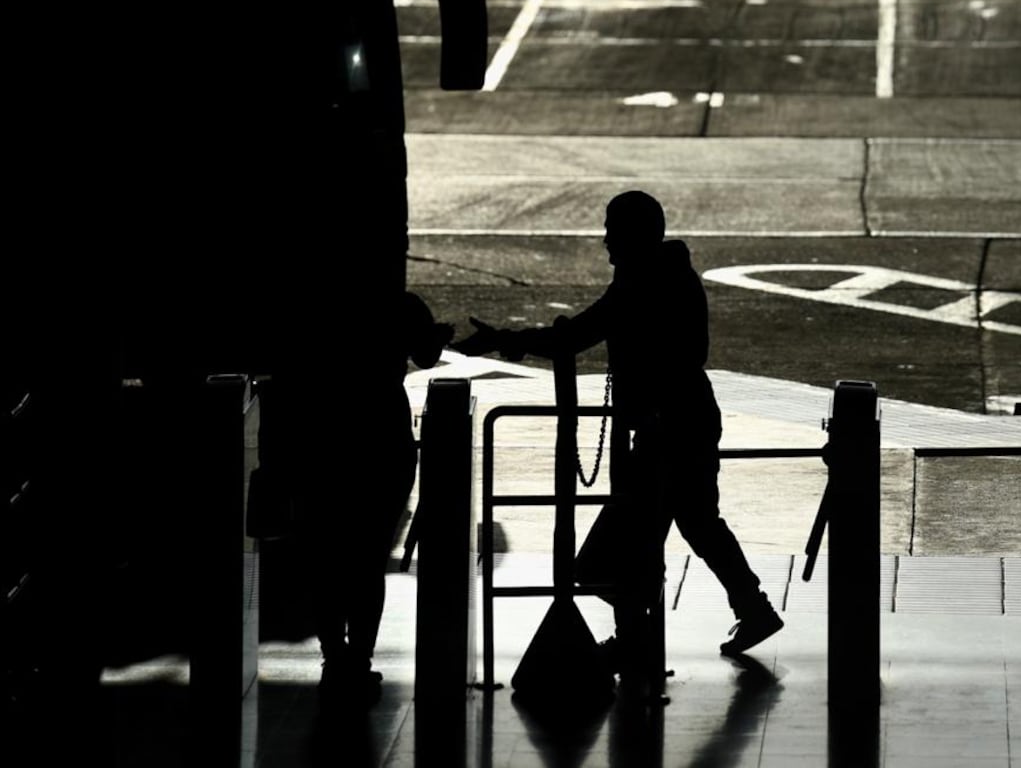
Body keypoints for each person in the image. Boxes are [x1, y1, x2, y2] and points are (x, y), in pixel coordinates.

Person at [452, 190, 783, 676]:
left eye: (612, 229)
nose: (605, 239)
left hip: (661, 433)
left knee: (622, 548)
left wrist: (507, 339)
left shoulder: (639, 284)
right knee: (694, 522)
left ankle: (641, 638)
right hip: (689, 422)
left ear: (634, 235)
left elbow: (577, 335)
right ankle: (741, 610)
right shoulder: (670, 276)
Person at [274, 290, 453, 708]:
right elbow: (426, 357)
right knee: (369, 558)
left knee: (327, 553)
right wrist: (439, 335)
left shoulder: (316, 306)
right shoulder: (401, 305)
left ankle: (333, 653)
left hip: (323, 434)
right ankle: (359, 656)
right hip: (383, 434)